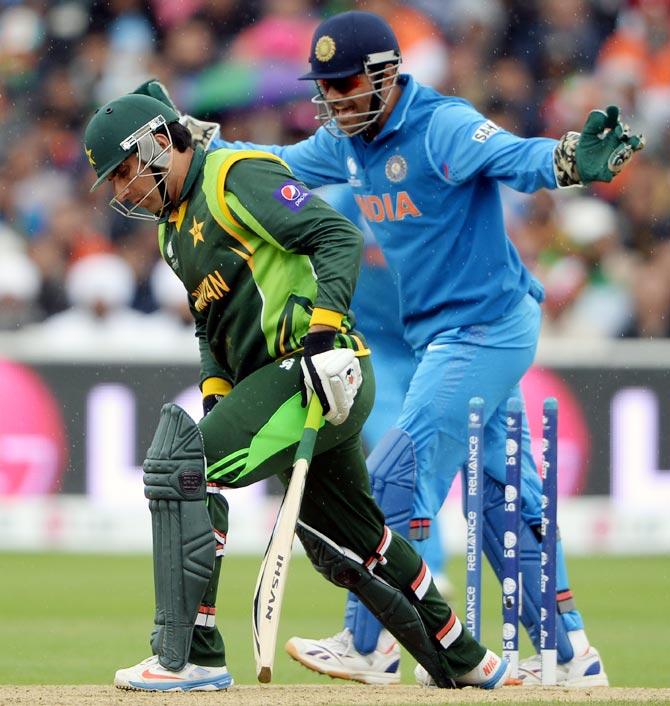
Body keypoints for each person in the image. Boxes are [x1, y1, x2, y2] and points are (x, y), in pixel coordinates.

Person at [204, 10, 644, 688]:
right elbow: (273, 167)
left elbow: (513, 156)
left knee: (393, 478)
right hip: (452, 334)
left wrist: (563, 160)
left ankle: (372, 643)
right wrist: (202, 155)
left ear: (385, 76)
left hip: (485, 328)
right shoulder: (347, 144)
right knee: (501, 497)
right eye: (327, 88)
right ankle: (568, 654)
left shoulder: (440, 125)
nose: (337, 100)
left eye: (348, 84)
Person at [82, 92, 515, 692]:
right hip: (281, 385)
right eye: (115, 181)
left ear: (157, 143)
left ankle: (192, 655)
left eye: (125, 171)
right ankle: (463, 656)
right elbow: (211, 324)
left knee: (184, 467)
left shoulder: (234, 176)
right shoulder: (172, 233)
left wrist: (322, 333)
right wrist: (216, 395)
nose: (123, 190)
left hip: (320, 370)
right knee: (357, 538)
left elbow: (336, 237)